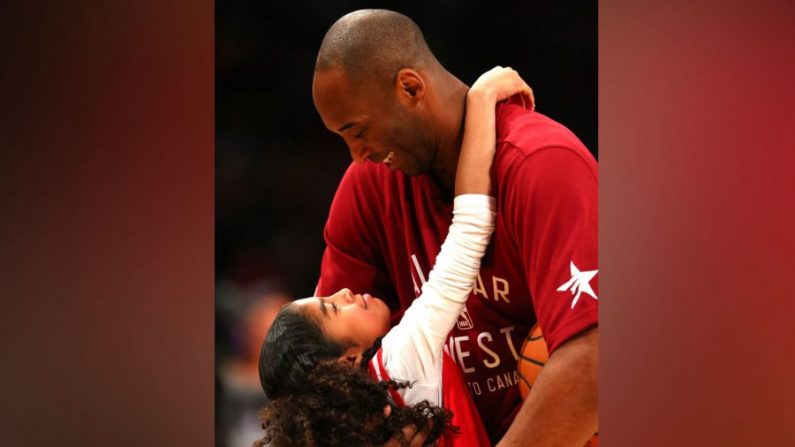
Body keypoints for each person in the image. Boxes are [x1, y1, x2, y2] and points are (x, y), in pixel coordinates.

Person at [312, 9, 598, 447]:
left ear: (410, 87)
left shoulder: (543, 164)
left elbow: (593, 362)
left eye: (359, 131)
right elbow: (322, 371)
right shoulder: (370, 188)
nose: (356, 155)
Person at [257, 67, 533, 446]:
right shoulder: (398, 360)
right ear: (348, 363)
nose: (344, 294)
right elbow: (469, 230)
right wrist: (481, 101)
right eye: (333, 309)